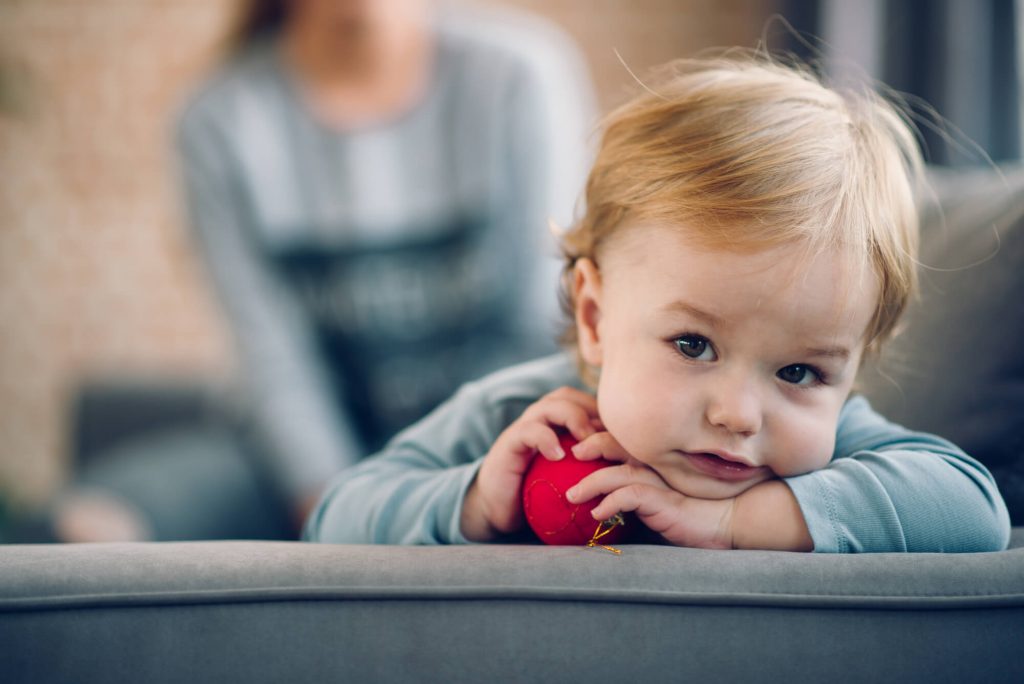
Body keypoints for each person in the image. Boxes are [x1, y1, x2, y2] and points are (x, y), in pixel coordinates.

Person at [303, 53, 1011, 552]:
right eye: (693, 345)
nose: (738, 414)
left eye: (800, 373)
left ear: (852, 371)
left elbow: (974, 509)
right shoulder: (520, 425)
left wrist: (739, 524)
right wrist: (477, 500)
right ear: (594, 319)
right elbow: (336, 516)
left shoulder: (830, 455)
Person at [45, 0, 596, 542]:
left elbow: (537, 319)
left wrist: (446, 477)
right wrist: (335, 504)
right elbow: (272, 357)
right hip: (294, 463)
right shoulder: (219, 117)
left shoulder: (518, 73)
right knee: (87, 524)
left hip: (480, 440)